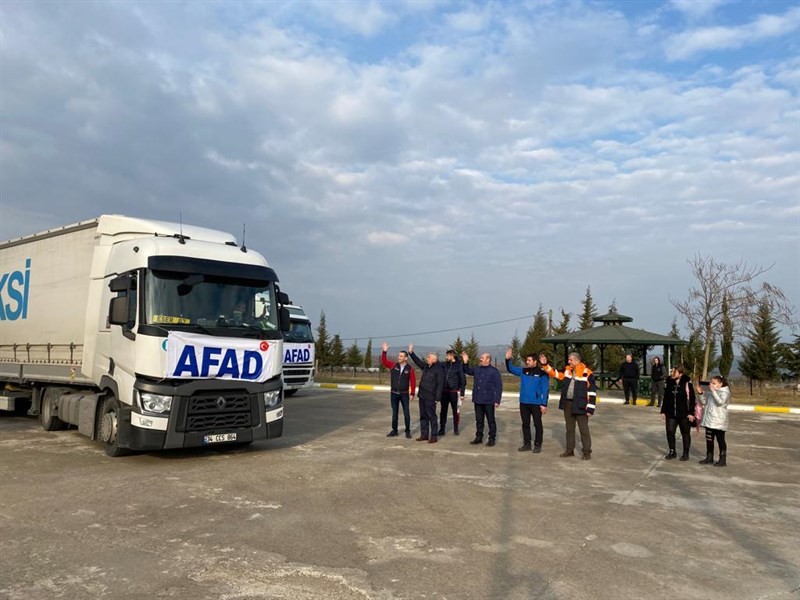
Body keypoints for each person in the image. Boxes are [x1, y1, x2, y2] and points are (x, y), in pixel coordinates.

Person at [539, 352, 596, 460]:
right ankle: (569, 450)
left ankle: (587, 452)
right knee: (569, 429)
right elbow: (554, 373)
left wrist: (590, 409)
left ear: (577, 360)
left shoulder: (587, 373)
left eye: (570, 360)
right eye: (569, 360)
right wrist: (545, 364)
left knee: (584, 430)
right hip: (568, 404)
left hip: (581, 405)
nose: (568, 361)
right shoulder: (567, 371)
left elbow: (592, 392)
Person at [505, 348, 549, 453]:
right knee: (525, 424)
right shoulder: (523, 371)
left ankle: (538, 444)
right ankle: (527, 444)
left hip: (536, 403)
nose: (527, 362)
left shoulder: (542, 373)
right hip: (524, 402)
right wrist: (507, 359)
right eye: (527, 360)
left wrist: (544, 404)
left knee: (537, 424)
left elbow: (545, 389)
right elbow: (511, 369)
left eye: (529, 360)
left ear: (535, 361)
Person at [461, 352, 503, 447]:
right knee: (479, 420)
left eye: (482, 358)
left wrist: (497, 400)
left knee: (490, 420)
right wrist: (465, 361)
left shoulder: (494, 371)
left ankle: (492, 438)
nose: (480, 359)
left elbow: (498, 386)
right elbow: (466, 370)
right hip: (478, 399)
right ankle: (479, 437)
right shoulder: (477, 369)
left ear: (488, 359)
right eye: (480, 357)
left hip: (488, 399)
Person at [408, 345, 444, 444]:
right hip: (422, 395)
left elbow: (441, 384)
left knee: (432, 417)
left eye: (428, 357)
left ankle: (433, 436)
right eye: (427, 357)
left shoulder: (438, 369)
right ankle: (424, 434)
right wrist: (411, 353)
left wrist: (438, 397)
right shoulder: (426, 367)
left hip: (431, 396)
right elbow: (418, 362)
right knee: (423, 416)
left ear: (434, 359)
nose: (427, 359)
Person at [381, 342, 416, 439]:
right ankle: (394, 430)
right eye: (398, 356)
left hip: (404, 395)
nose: (399, 357)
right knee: (394, 413)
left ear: (405, 358)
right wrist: (384, 351)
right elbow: (384, 361)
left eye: (401, 356)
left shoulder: (410, 369)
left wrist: (412, 393)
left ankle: (407, 431)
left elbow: (413, 382)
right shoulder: (393, 365)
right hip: (394, 394)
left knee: (406, 413)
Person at [660, 365, 697, 460]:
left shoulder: (687, 384)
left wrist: (691, 413)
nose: (672, 373)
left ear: (680, 374)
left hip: (684, 413)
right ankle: (672, 451)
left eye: (674, 372)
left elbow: (692, 399)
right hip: (671, 413)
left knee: (685, 433)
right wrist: (663, 411)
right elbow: (666, 397)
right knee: (670, 431)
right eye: (672, 371)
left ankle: (685, 453)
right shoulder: (670, 382)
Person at [696, 375, 731, 467]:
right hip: (709, 420)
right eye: (711, 383)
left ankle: (722, 459)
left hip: (719, 421)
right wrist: (700, 393)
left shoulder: (725, 393)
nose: (711, 385)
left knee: (720, 440)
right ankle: (709, 457)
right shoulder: (711, 392)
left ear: (720, 384)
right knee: (709, 439)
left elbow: (720, 402)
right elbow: (703, 402)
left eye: (714, 383)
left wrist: (713, 391)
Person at [439, 349, 466, 436]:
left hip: (454, 392)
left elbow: (463, 380)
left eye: (447, 356)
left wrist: (462, 393)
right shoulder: (444, 365)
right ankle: (442, 429)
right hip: (445, 392)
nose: (446, 357)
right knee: (443, 411)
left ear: (452, 355)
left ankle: (456, 429)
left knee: (455, 411)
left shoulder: (458, 366)